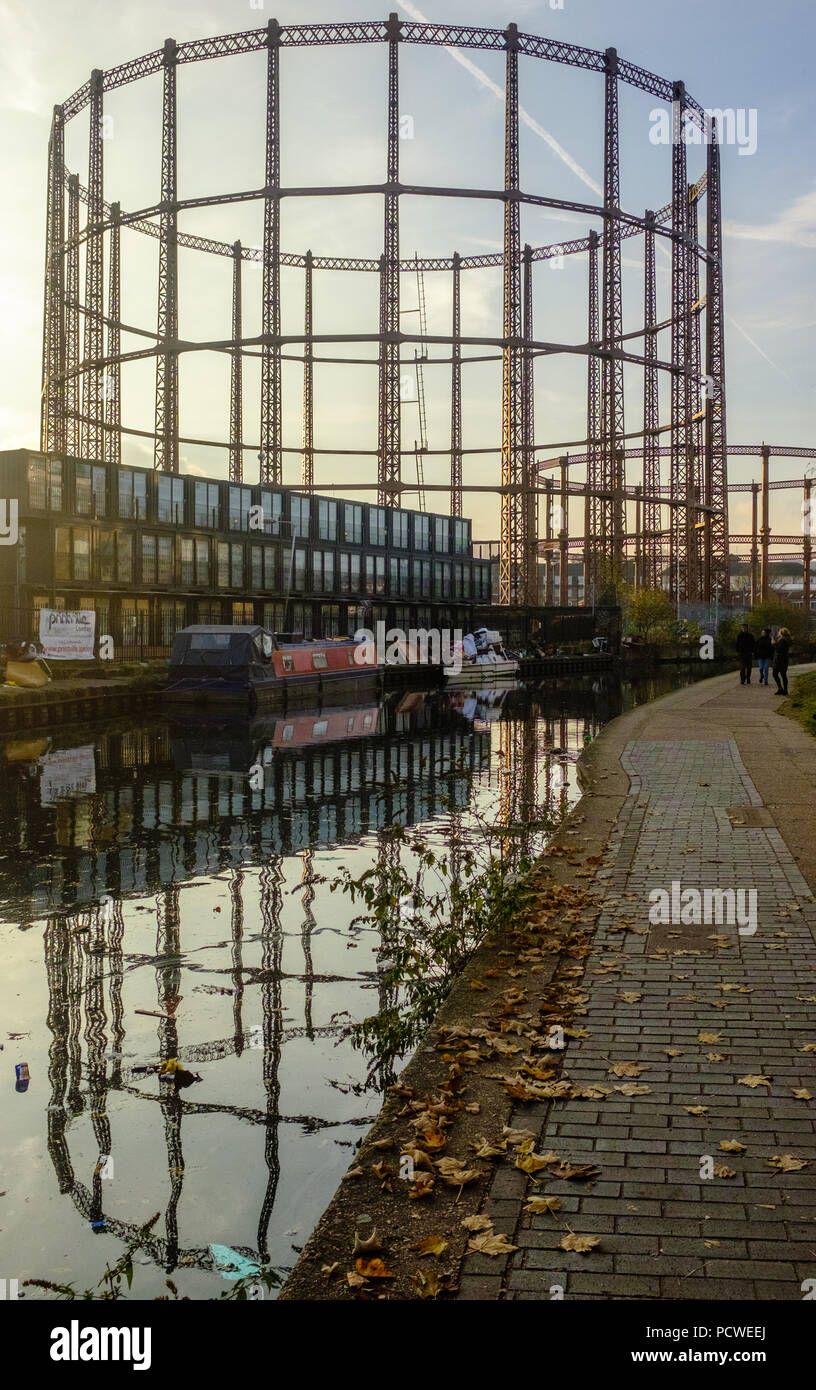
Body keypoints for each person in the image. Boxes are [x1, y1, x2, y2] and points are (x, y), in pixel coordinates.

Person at [772, 626, 792, 695]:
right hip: (784, 660)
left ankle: (781, 688)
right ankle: (784, 690)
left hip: (779, 660)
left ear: (781, 633)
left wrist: (773, 643)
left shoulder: (783, 640)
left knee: (775, 674)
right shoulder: (787, 639)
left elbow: (778, 649)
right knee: (783, 675)